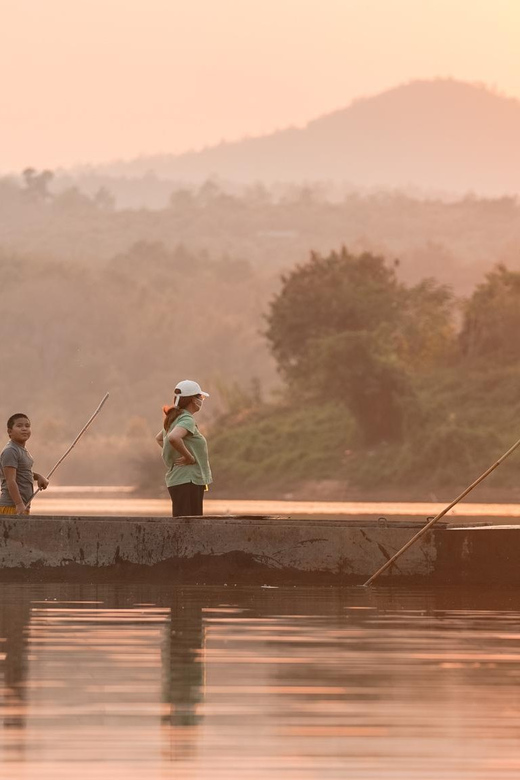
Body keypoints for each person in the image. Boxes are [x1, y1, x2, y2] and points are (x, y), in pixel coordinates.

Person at [156, 380, 212, 517]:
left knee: (184, 524)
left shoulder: (174, 419)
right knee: (190, 526)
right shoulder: (187, 419)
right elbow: (173, 438)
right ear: (193, 399)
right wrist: (189, 457)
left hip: (181, 480)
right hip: (188, 481)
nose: (201, 400)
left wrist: (175, 453)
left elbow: (159, 438)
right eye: (201, 397)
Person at [0, 413, 49, 515]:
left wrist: (39, 477)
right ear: (10, 431)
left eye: (27, 426)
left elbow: (23, 472)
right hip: (11, 507)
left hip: (23, 506)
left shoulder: (22, 450)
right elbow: (10, 480)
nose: (24, 429)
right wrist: (18, 503)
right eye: (19, 426)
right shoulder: (11, 451)